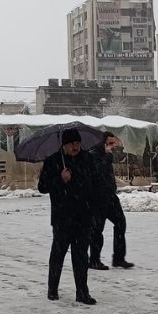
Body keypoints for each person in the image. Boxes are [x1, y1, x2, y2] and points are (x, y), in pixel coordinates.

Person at [38, 128, 97, 305]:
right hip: (62, 216)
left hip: (83, 215)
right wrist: (59, 179)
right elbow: (42, 187)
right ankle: (52, 288)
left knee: (80, 256)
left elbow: (94, 182)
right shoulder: (52, 161)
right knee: (58, 254)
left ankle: (82, 292)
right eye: (72, 144)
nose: (76, 147)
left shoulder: (87, 159)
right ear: (64, 145)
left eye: (78, 143)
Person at [89, 132, 133, 271]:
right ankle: (94, 260)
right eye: (110, 144)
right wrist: (106, 157)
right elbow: (96, 172)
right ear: (103, 143)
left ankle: (118, 258)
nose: (113, 146)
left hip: (110, 196)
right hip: (97, 198)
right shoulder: (93, 155)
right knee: (97, 230)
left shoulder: (108, 155)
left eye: (114, 143)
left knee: (120, 222)